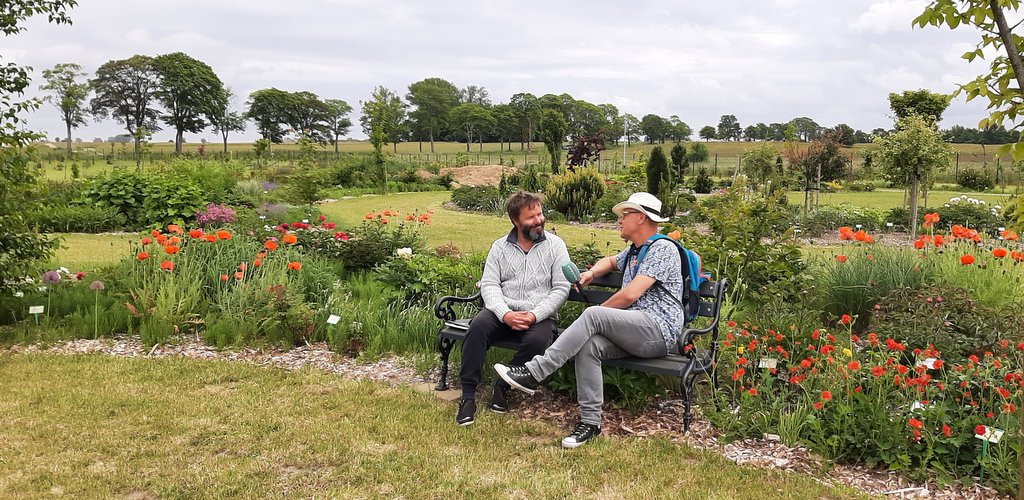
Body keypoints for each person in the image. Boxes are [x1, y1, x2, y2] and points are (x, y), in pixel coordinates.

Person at [495, 192, 686, 448]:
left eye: (624, 215)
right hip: (636, 332)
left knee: (593, 316)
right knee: (589, 346)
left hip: (658, 332)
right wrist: (591, 273)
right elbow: (610, 261)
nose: (619, 220)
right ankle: (590, 423)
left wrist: (597, 315)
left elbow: (630, 294)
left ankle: (535, 372)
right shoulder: (636, 251)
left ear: (641, 218)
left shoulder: (662, 249)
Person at [455, 191, 571, 426]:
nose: (538, 220)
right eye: (531, 217)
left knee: (539, 341)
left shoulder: (556, 246)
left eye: (540, 214)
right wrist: (505, 314)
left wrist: (534, 314)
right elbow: (489, 285)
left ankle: (503, 386)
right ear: (516, 221)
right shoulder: (499, 247)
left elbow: (561, 288)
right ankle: (468, 396)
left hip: (538, 314)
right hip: (503, 311)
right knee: (477, 327)